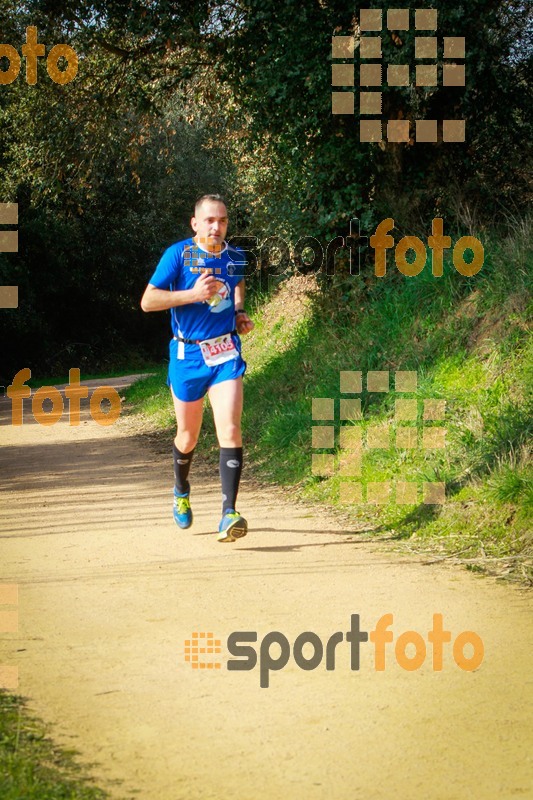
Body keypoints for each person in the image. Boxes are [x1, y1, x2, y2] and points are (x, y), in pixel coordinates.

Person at [140, 194, 254, 542]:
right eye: (209, 221)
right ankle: (180, 489)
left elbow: (238, 286)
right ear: (195, 223)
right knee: (187, 437)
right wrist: (191, 295)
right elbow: (148, 302)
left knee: (230, 429)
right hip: (187, 356)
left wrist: (237, 313)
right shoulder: (178, 255)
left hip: (224, 354)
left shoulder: (235, 257)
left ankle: (228, 513)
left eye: (222, 221)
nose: (216, 227)